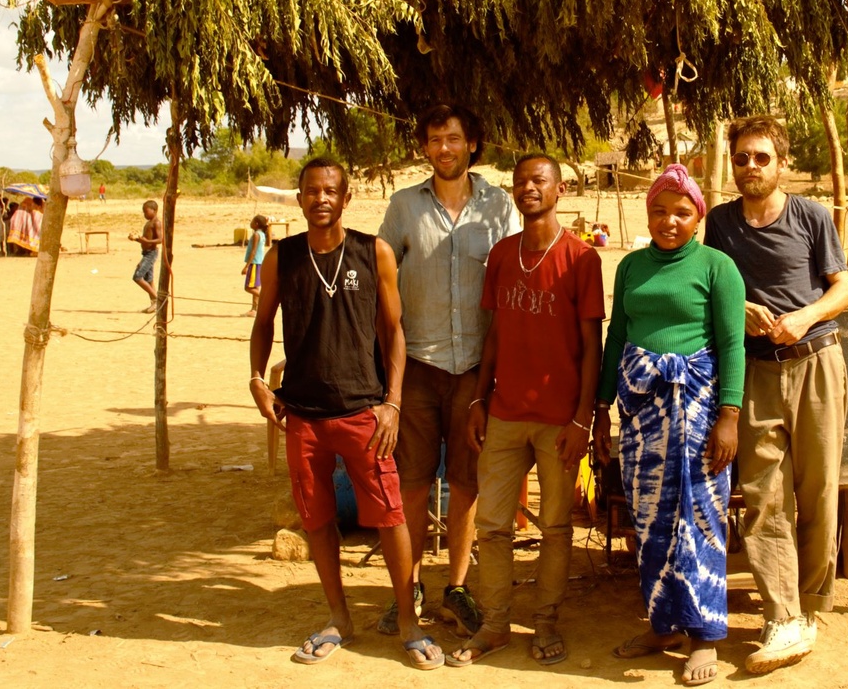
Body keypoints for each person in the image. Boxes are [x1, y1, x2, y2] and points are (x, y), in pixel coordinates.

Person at [248, 158, 443, 670]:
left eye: (331, 191)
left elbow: (394, 331)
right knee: (316, 519)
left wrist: (393, 402)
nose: (321, 199)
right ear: (300, 199)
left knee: (390, 516)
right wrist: (255, 379)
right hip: (303, 415)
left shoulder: (372, 252)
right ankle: (339, 618)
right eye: (311, 191)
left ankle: (408, 623)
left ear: (346, 197)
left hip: (365, 412)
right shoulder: (282, 258)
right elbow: (264, 321)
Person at [703, 115, 848, 675]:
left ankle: (810, 607)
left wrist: (804, 316)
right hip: (754, 374)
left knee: (817, 492)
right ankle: (781, 614)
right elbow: (712, 284)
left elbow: (844, 286)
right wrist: (737, 310)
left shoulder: (812, 216)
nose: (750, 167)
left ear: (781, 163)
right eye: (742, 158)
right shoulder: (719, 224)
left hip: (816, 363)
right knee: (764, 495)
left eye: (761, 157)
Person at [446, 154, 604, 668]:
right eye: (520, 182)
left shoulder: (582, 259)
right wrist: (478, 399)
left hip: (559, 418)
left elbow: (591, 346)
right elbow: (493, 332)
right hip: (504, 414)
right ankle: (494, 626)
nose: (528, 188)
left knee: (555, 529)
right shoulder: (501, 254)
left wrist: (584, 419)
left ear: (560, 190)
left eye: (539, 181)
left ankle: (546, 623)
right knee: (493, 526)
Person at [594, 164, 745, 688]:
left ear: (698, 216)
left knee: (700, 516)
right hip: (641, 411)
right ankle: (662, 626)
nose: (669, 221)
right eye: (659, 210)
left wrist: (729, 417)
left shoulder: (717, 267)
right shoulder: (631, 268)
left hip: (700, 411)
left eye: (681, 212)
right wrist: (599, 406)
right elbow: (618, 338)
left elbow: (731, 346)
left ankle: (703, 636)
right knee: (650, 518)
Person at [377, 103, 521, 637]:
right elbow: (382, 284)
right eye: (435, 139)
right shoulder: (403, 208)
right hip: (416, 365)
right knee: (411, 483)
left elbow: (513, 278)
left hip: (476, 371)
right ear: (424, 148)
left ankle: (456, 586)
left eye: (453, 138)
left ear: (472, 145)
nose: (444, 148)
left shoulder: (499, 206)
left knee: (465, 482)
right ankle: (407, 588)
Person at [129, 200, 163, 312]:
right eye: (143, 212)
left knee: (137, 277)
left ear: (154, 210)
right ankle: (154, 304)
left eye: (146, 212)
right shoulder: (148, 223)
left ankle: (158, 300)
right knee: (149, 279)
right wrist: (136, 239)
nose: (145, 214)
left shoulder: (156, 223)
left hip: (151, 253)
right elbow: (145, 241)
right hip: (146, 253)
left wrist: (147, 240)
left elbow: (160, 239)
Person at [241, 214, 270, 316]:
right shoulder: (262, 234)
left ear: (256, 224)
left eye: (252, 221)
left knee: (248, 288)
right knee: (255, 287)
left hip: (254, 263)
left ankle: (267, 298)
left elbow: (253, 252)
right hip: (259, 263)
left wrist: (246, 266)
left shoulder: (256, 235)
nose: (251, 223)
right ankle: (254, 309)